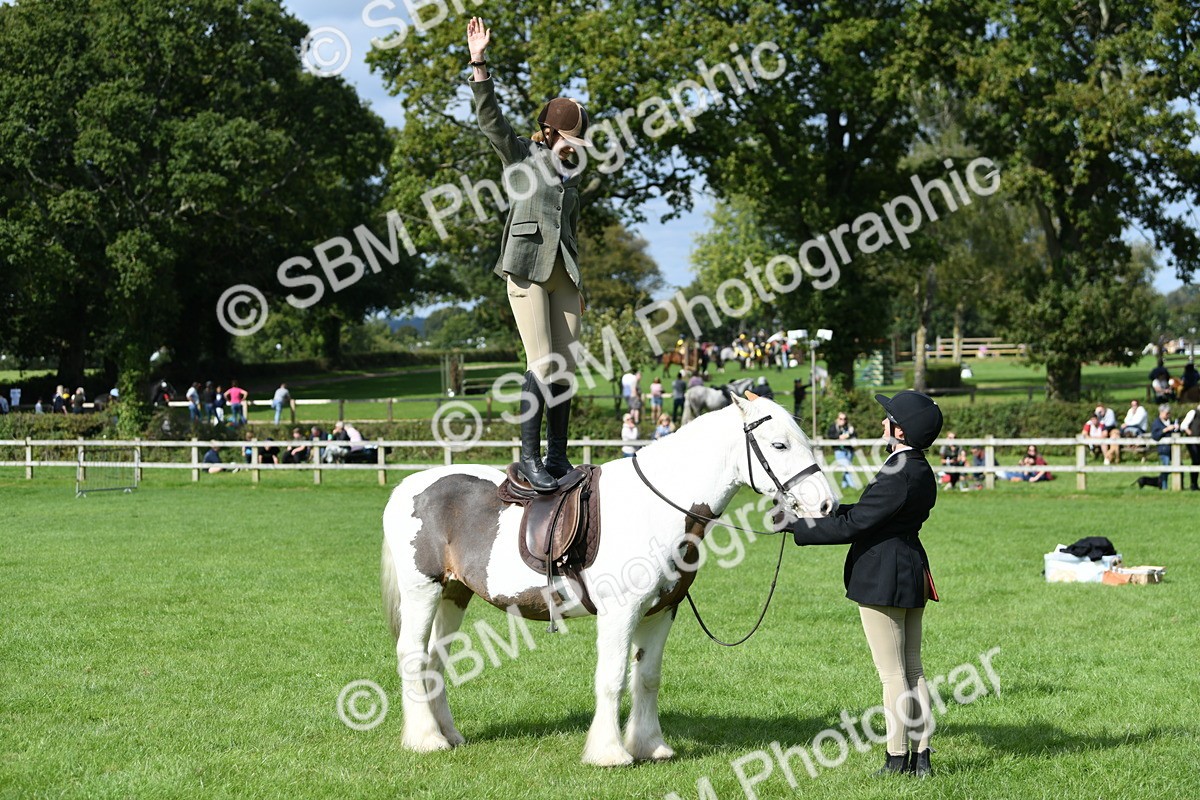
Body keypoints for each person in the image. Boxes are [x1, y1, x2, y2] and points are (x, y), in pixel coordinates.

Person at [778, 390, 943, 777]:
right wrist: (830, 511)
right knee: (914, 669)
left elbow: (856, 527)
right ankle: (922, 757)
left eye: (888, 418)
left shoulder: (896, 472)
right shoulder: (919, 469)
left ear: (900, 431)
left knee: (892, 674)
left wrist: (796, 527)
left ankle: (896, 758)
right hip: (910, 568)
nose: (883, 422)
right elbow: (872, 514)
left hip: (883, 574)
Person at [469, 16, 589, 492]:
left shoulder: (574, 173)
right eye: (573, 139)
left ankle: (558, 457)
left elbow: (573, 230)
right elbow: (491, 122)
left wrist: (582, 287)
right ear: (552, 132)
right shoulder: (522, 156)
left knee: (567, 368)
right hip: (526, 268)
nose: (579, 148)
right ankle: (527, 460)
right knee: (541, 365)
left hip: (565, 275)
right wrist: (479, 64)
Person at [1147, 404, 1179, 490]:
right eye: (1167, 413)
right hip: (1163, 449)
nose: (1168, 415)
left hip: (1173, 449)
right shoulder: (1156, 423)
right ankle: (1164, 487)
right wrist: (1165, 430)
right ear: (1161, 412)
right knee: (1166, 468)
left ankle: (1179, 486)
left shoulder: (1171, 421)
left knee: (1180, 466)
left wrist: (1176, 428)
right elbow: (1155, 436)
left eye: (1169, 413)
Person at [826, 412, 859, 490]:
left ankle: (844, 486)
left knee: (846, 468)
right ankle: (853, 486)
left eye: (844, 419)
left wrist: (848, 434)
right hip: (839, 450)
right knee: (847, 466)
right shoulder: (833, 427)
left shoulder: (849, 427)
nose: (843, 420)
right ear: (837, 419)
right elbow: (830, 435)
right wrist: (839, 436)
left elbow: (855, 435)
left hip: (849, 450)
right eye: (841, 418)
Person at [1181, 402, 1200, 491]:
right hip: (1193, 442)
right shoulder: (1193, 412)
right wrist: (1191, 434)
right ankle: (1194, 484)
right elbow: (1183, 425)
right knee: (1196, 461)